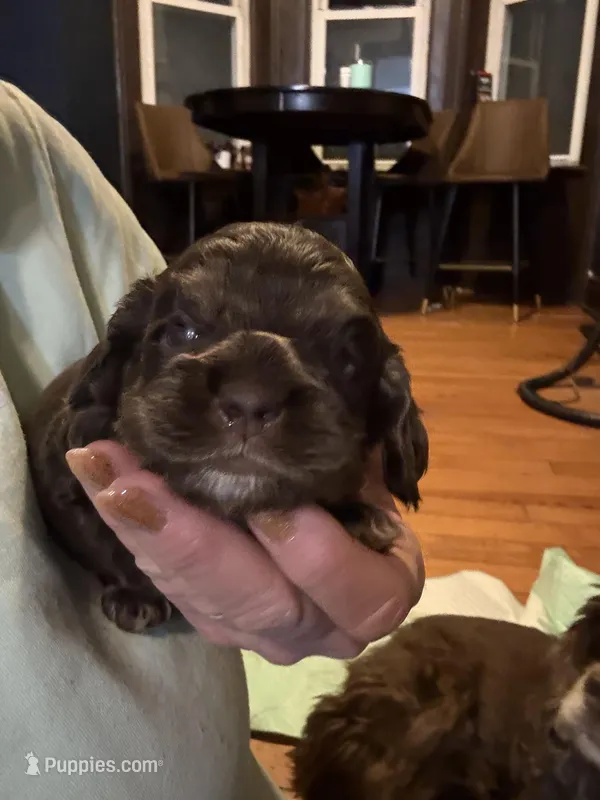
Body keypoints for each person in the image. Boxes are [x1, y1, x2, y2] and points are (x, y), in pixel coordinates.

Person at [0, 80, 424, 798]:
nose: (253, 394)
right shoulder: (90, 411)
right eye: (189, 331)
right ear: (121, 361)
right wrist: (130, 575)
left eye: (337, 356)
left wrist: (365, 510)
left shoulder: (33, 147)